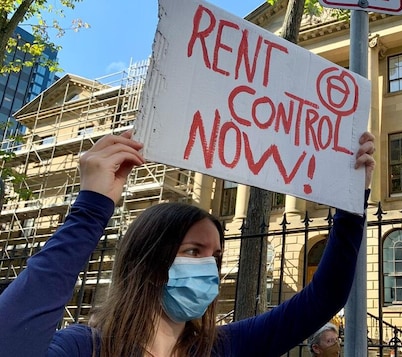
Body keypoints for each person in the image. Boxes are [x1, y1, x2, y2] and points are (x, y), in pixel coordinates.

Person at [0, 129, 376, 357]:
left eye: (214, 256)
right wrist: (91, 209)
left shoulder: (223, 348)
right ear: (147, 261)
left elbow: (324, 299)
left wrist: (351, 204)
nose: (208, 268)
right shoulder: (86, 347)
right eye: (193, 251)